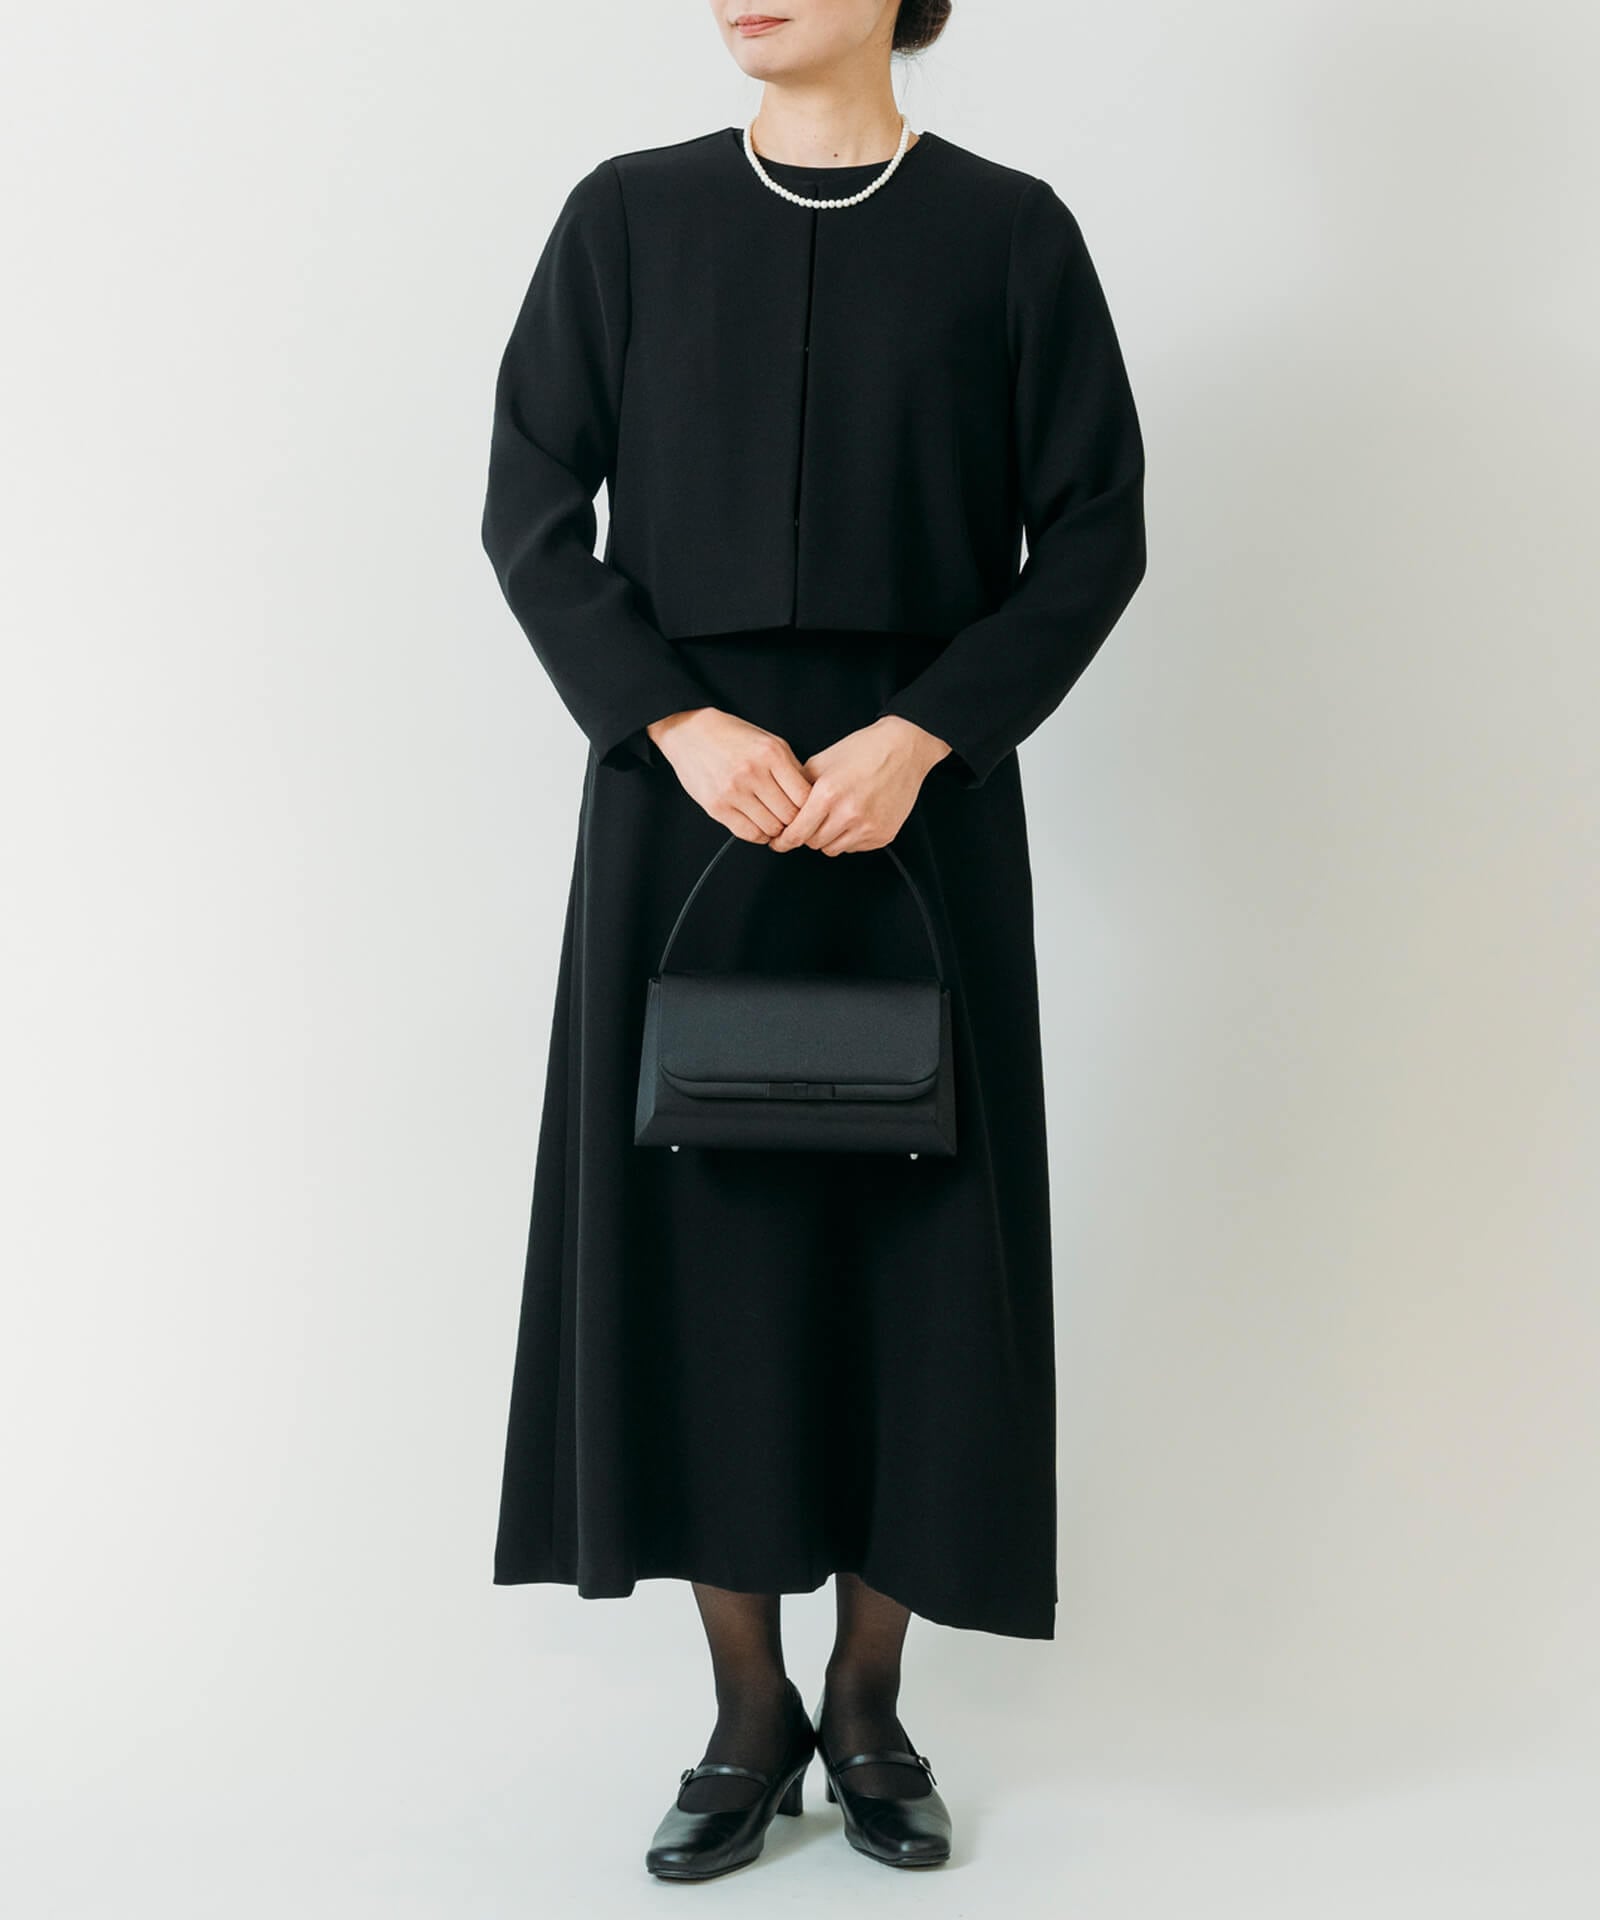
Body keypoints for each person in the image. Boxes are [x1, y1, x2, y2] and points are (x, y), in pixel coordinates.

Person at [478, 0, 1147, 1881]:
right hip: (682, 811)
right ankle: (743, 1709)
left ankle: (868, 1702)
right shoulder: (626, 216)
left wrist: (928, 734)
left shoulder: (1009, 232)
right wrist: (671, 720)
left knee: (917, 1248)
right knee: (704, 1243)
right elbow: (532, 507)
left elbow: (1097, 529)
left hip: (918, 813)